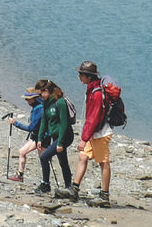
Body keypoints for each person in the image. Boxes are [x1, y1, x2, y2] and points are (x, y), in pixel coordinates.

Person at [56, 60, 111, 207]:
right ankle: (74, 189)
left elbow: (93, 118)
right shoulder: (92, 89)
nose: (79, 77)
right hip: (94, 131)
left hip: (101, 132)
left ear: (88, 76)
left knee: (103, 162)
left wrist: (83, 138)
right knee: (83, 156)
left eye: (81, 74)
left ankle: (105, 197)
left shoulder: (97, 93)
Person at [33, 79, 74, 196]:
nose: (40, 97)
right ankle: (68, 186)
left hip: (65, 136)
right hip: (55, 136)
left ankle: (45, 184)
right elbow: (44, 121)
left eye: (41, 94)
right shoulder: (46, 103)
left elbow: (64, 123)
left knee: (44, 157)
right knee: (63, 161)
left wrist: (60, 143)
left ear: (46, 91)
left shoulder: (59, 102)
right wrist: (40, 138)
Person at [8, 88, 43, 182]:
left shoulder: (39, 110)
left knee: (43, 159)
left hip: (42, 138)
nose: (26, 101)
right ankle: (20, 175)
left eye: (27, 99)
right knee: (22, 152)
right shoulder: (39, 105)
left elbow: (30, 128)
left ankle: (45, 181)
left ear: (34, 98)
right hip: (36, 137)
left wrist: (15, 123)